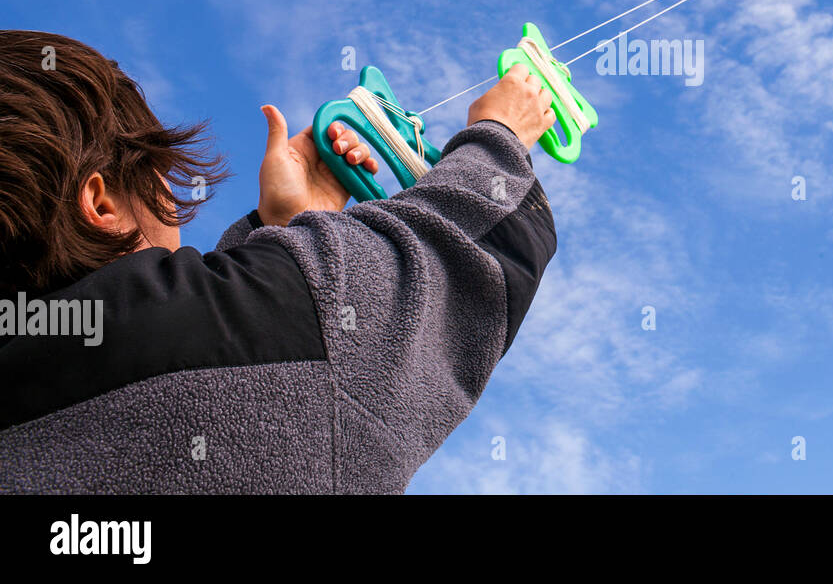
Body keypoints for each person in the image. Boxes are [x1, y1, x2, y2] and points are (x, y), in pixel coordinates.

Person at [0, 30, 557, 493]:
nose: (172, 202)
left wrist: (284, 236)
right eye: (156, 176)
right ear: (102, 203)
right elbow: (464, 257)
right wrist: (500, 136)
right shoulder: (265, 318)